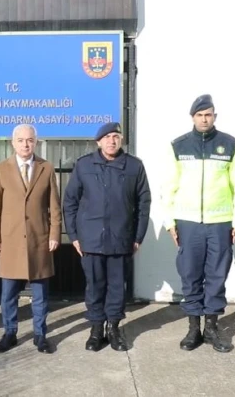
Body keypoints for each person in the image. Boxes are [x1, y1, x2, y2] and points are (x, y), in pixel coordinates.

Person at [161, 94, 235, 353]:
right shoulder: (179, 146)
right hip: (188, 223)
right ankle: (193, 328)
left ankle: (211, 328)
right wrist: (170, 222)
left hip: (220, 223)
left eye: (208, 115)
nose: (204, 119)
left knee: (216, 275)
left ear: (214, 117)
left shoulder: (229, 144)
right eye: (199, 115)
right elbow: (169, 186)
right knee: (190, 274)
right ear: (192, 118)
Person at [63, 122, 151, 352]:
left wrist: (138, 237)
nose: (112, 141)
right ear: (98, 142)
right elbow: (70, 202)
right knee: (94, 287)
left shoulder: (134, 166)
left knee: (116, 288)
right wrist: (73, 235)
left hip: (121, 239)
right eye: (107, 137)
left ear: (121, 140)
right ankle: (95, 330)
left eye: (116, 136)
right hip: (91, 240)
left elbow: (144, 204)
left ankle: (113, 328)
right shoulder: (84, 166)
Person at [0, 124, 62, 354]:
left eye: (30, 140)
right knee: (9, 293)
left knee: (40, 293)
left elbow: (54, 206)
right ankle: (10, 332)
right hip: (10, 241)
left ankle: (40, 335)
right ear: (13, 143)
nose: (25, 144)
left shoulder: (46, 168)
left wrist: (54, 234)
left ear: (36, 142)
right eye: (21, 140)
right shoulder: (1, 169)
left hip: (39, 240)